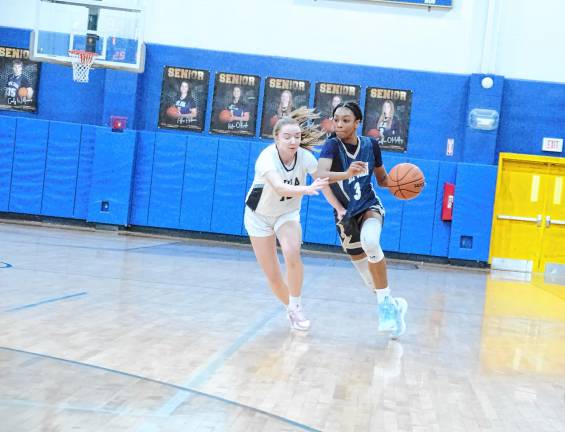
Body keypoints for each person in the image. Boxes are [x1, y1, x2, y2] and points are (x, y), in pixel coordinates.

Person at [316, 101, 408, 339]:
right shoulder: (331, 146)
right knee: (371, 283)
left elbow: (383, 179)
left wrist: (407, 185)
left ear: (357, 123)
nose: (339, 124)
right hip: (345, 216)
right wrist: (346, 174)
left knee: (370, 240)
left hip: (368, 206)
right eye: (336, 120)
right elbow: (320, 175)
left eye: (346, 120)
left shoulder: (371, 145)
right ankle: (394, 306)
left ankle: (386, 310)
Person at [244, 107, 329, 331]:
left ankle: (297, 305)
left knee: (292, 251)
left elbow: (323, 181)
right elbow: (280, 188)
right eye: (287, 136)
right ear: (276, 138)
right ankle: (290, 308)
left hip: (286, 213)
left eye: (297, 136)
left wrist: (339, 207)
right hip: (258, 216)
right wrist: (306, 189)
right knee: (273, 276)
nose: (293, 141)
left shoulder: (306, 157)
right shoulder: (266, 157)